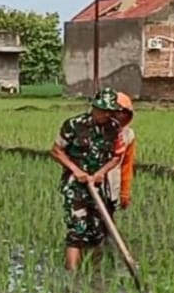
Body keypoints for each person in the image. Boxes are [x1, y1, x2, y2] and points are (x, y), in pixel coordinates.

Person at [49, 88, 126, 271]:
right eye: (103, 110)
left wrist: (101, 172)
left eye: (110, 111)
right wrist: (76, 170)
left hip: (99, 186)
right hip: (76, 186)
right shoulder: (74, 125)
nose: (106, 114)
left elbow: (117, 156)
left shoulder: (114, 128)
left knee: (97, 231)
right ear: (94, 107)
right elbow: (56, 151)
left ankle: (93, 271)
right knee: (77, 230)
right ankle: (72, 272)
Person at [105, 90, 137, 214]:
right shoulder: (93, 130)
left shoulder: (128, 135)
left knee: (107, 224)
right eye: (117, 112)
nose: (121, 115)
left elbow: (126, 165)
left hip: (112, 187)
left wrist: (124, 192)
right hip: (88, 189)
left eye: (125, 112)